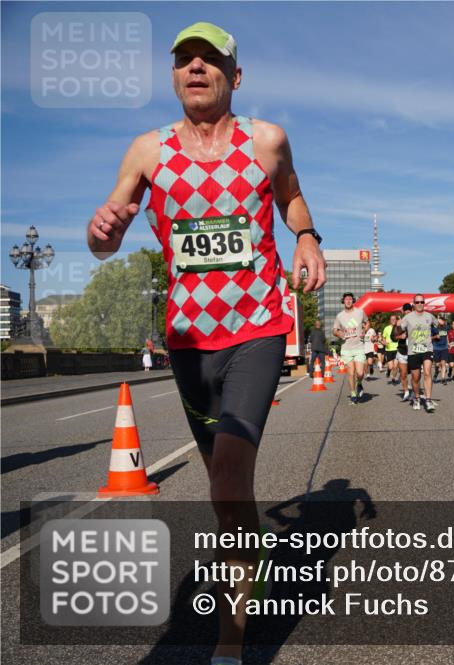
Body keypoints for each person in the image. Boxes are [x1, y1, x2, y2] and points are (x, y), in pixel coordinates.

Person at [86, 21, 326, 665]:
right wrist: (102, 232)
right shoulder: (147, 152)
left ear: (234, 77)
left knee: (226, 473)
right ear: (172, 77)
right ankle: (251, 552)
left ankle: (232, 638)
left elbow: (292, 196)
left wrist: (306, 237)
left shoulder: (267, 140)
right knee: (230, 500)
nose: (196, 68)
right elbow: (106, 234)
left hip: (260, 327)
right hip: (189, 340)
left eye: (210, 60)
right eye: (184, 61)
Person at [399, 294, 437, 412]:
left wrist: (439, 326)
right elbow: (399, 329)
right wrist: (399, 329)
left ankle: (428, 400)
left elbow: (436, 325)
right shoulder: (408, 317)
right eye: (417, 302)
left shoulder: (429, 316)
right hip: (413, 351)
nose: (420, 304)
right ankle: (416, 398)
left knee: (427, 373)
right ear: (414, 304)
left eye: (422, 302)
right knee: (416, 377)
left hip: (427, 349)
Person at [333, 293, 368, 404]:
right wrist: (340, 334)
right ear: (343, 301)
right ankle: (353, 393)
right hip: (346, 348)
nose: (348, 301)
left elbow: (367, 323)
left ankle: (359, 383)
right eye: (346, 299)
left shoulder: (360, 312)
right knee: (351, 373)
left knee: (360, 373)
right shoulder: (340, 316)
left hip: (359, 346)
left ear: (353, 301)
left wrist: (364, 330)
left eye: (350, 299)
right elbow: (335, 330)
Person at [394, 303, 412, 401]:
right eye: (406, 310)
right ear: (404, 311)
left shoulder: (416, 320)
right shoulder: (400, 322)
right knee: (403, 374)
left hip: (413, 351)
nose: (408, 312)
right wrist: (401, 336)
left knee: (415, 374)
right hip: (402, 351)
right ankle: (406, 391)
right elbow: (394, 337)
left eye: (409, 310)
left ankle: (414, 390)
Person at [432, 316, 449, 382]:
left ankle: (443, 378)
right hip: (436, 348)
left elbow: (449, 334)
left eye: (443, 320)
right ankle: (436, 372)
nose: (442, 322)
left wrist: (449, 343)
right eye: (441, 320)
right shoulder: (434, 328)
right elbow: (430, 337)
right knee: (437, 364)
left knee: (443, 363)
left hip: (444, 347)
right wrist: (435, 336)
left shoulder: (446, 327)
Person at [382, 314, 399, 382]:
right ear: (390, 321)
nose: (393, 321)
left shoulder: (399, 328)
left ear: (396, 320)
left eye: (394, 319)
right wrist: (384, 342)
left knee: (395, 366)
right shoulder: (386, 328)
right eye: (392, 319)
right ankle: (388, 371)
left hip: (397, 349)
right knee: (391, 366)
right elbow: (383, 338)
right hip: (389, 349)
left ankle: (393, 377)